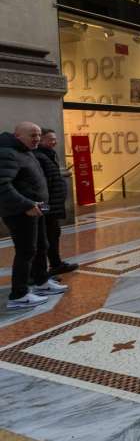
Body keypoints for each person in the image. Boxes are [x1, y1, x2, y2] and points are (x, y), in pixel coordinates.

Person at [0, 122, 68, 309]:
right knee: (26, 251)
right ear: (18, 135)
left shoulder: (25, 151)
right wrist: (27, 204)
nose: (37, 138)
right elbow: (3, 185)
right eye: (32, 135)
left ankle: (42, 282)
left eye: (38, 135)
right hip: (21, 212)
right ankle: (19, 295)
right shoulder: (8, 153)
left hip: (38, 208)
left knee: (41, 245)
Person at [33, 129, 78, 276]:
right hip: (46, 205)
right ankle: (41, 271)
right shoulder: (39, 156)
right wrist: (44, 206)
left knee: (53, 234)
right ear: (41, 140)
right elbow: (41, 184)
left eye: (55, 139)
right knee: (46, 237)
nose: (55, 142)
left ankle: (56, 263)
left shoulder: (48, 155)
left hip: (52, 205)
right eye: (51, 139)